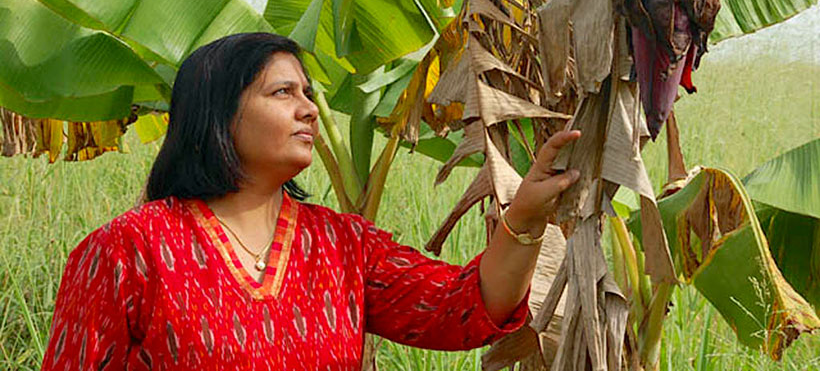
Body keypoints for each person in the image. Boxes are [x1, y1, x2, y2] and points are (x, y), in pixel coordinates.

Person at [41, 33, 580, 370]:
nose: (309, 110)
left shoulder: (342, 243)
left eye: (307, 93)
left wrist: (525, 218)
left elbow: (461, 310)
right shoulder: (127, 250)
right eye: (282, 93)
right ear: (218, 114)